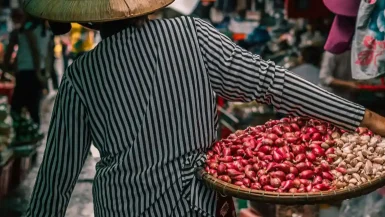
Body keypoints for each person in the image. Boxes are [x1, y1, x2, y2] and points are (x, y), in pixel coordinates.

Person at [24, 0, 385, 216]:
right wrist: (365, 117)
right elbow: (275, 83)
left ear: (87, 19)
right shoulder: (193, 36)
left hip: (121, 205)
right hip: (193, 206)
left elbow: (55, 180)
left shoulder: (81, 75)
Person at [3, 12, 50, 127]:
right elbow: (49, 55)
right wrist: (45, 74)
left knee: (17, 107)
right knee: (33, 107)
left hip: (27, 72)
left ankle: (22, 134)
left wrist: (5, 69)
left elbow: (35, 52)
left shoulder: (26, 31)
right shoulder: (46, 31)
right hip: (37, 72)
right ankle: (32, 133)